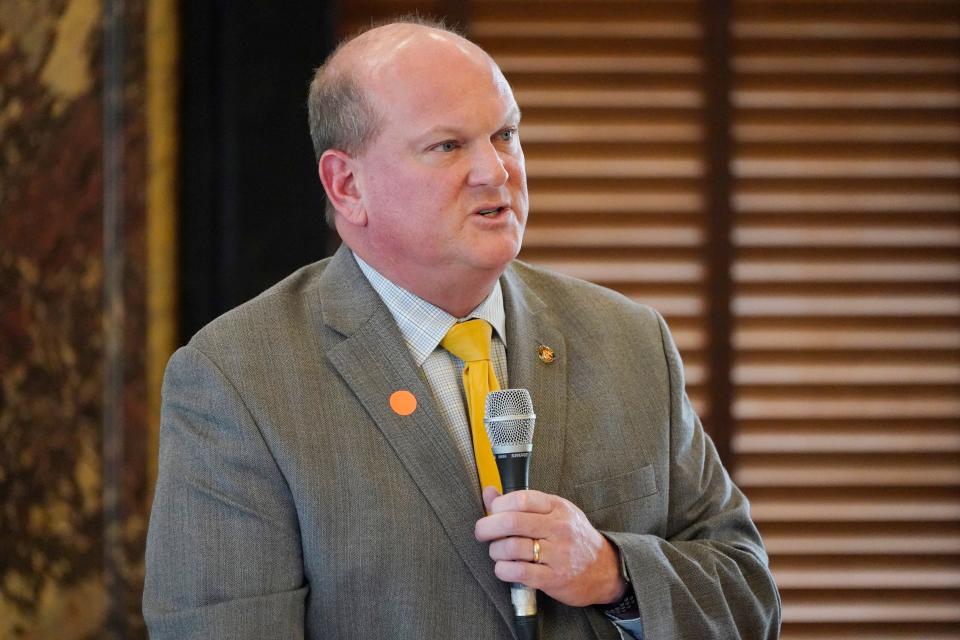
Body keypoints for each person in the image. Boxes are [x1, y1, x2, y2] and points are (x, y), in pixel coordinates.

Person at [143, 17, 780, 639]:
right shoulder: (238, 378)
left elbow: (750, 603)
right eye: (448, 146)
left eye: (505, 135)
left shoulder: (629, 341)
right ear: (347, 185)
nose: (495, 171)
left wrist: (615, 572)